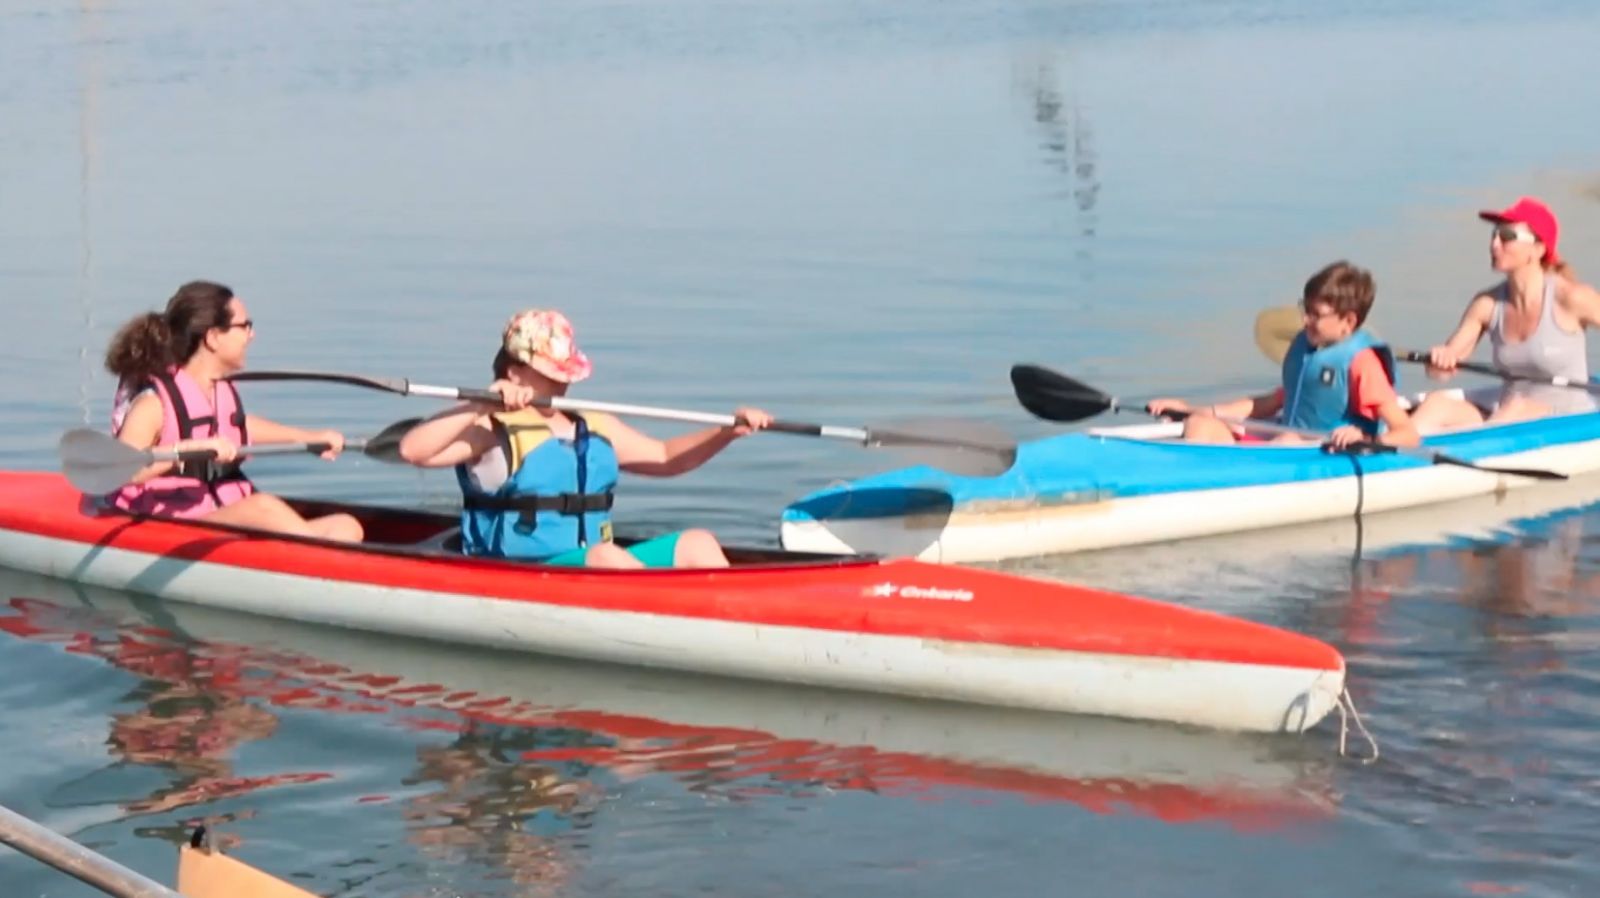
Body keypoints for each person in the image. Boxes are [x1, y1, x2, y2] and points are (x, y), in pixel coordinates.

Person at [398, 309, 772, 568]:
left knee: (697, 543)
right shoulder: (488, 429)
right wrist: (477, 404)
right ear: (515, 373)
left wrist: (727, 432)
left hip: (590, 566)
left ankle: (742, 619)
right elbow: (412, 450)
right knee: (605, 557)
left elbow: (666, 457)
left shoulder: (592, 423)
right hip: (522, 570)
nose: (565, 382)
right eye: (552, 373)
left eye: (566, 372)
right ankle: (675, 617)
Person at [103, 280, 363, 541]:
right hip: (169, 524)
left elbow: (239, 426)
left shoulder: (219, 391)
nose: (252, 335)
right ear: (213, 337)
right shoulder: (153, 404)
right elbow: (122, 469)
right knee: (261, 507)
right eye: (244, 326)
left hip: (218, 511)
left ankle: (313, 559)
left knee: (346, 526)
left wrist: (309, 438)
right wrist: (185, 451)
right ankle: (313, 560)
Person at [1148, 260, 1419, 449]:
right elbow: (1271, 403)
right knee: (1201, 424)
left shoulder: (1362, 363)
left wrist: (1367, 441)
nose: (1305, 321)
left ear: (1348, 321)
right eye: (1305, 309)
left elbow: (1407, 434)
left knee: (1287, 441)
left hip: (1323, 450)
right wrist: (1192, 410)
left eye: (1316, 315)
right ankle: (1195, 481)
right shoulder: (1307, 346)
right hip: (1287, 440)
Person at [1409, 197, 1600, 432]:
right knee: (1436, 404)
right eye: (1494, 236)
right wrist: (1440, 361)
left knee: (1516, 409)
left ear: (1538, 250)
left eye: (1507, 237)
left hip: (1567, 416)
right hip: (1507, 411)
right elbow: (1441, 372)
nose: (1494, 245)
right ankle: (1386, 455)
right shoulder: (1487, 304)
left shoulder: (1572, 298)